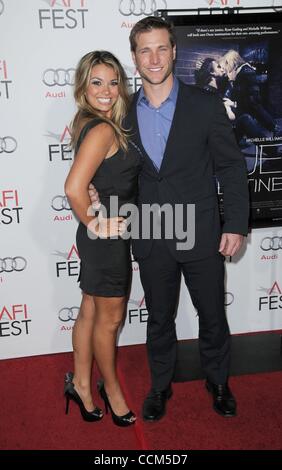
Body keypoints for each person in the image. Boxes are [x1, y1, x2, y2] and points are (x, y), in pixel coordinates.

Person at [90, 17, 249, 422]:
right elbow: (115, 172)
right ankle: (160, 387)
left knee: (212, 313)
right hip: (151, 231)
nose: (154, 58)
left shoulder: (205, 103)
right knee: (159, 318)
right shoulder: (119, 113)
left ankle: (218, 381)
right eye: (145, 50)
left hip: (201, 229)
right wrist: (94, 192)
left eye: (161, 48)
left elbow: (230, 168)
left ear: (174, 52)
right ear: (134, 57)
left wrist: (235, 224)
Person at [64, 50, 141, 426]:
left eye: (113, 82)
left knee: (90, 311)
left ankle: (80, 384)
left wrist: (91, 219)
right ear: (83, 86)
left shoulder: (86, 121)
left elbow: (88, 182)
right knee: (108, 323)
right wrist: (95, 222)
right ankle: (111, 391)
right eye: (97, 82)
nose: (107, 90)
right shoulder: (104, 129)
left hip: (96, 237)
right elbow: (74, 186)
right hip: (105, 241)